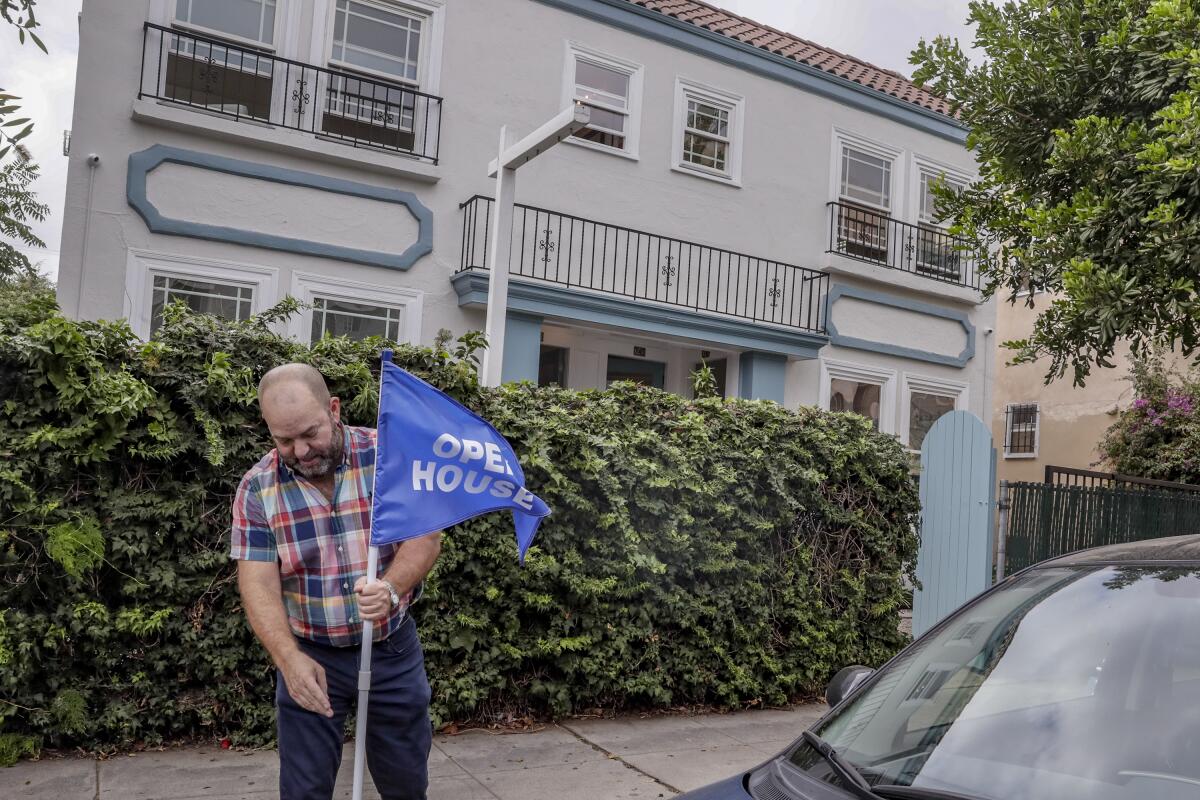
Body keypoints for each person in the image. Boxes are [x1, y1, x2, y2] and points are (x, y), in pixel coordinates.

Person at [230, 363, 441, 800]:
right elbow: (259, 584)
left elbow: (426, 536)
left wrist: (390, 587)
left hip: (390, 650)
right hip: (309, 653)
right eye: (284, 440)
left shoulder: (389, 458)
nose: (301, 450)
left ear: (334, 409)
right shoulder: (257, 488)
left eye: (310, 433)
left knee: (406, 784)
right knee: (303, 790)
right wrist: (288, 660)